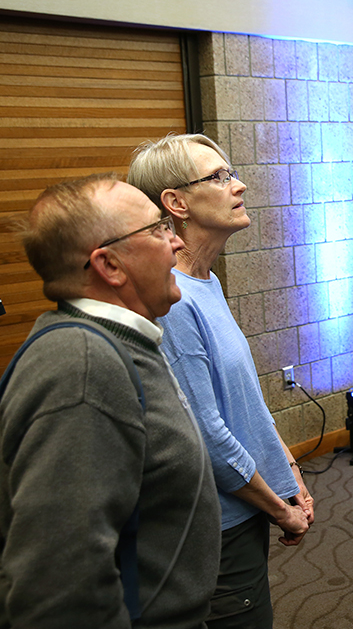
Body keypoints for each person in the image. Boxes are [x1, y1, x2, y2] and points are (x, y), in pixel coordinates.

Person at [0, 173, 221, 628]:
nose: (177, 242)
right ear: (111, 266)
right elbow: (59, 590)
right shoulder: (82, 367)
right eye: (159, 228)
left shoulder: (117, 343)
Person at [128, 134, 314, 629]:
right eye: (219, 176)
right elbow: (205, 437)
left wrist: (289, 469)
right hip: (217, 526)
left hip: (244, 506)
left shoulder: (203, 281)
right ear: (176, 203)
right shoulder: (174, 300)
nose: (240, 184)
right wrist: (280, 509)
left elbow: (242, 401)